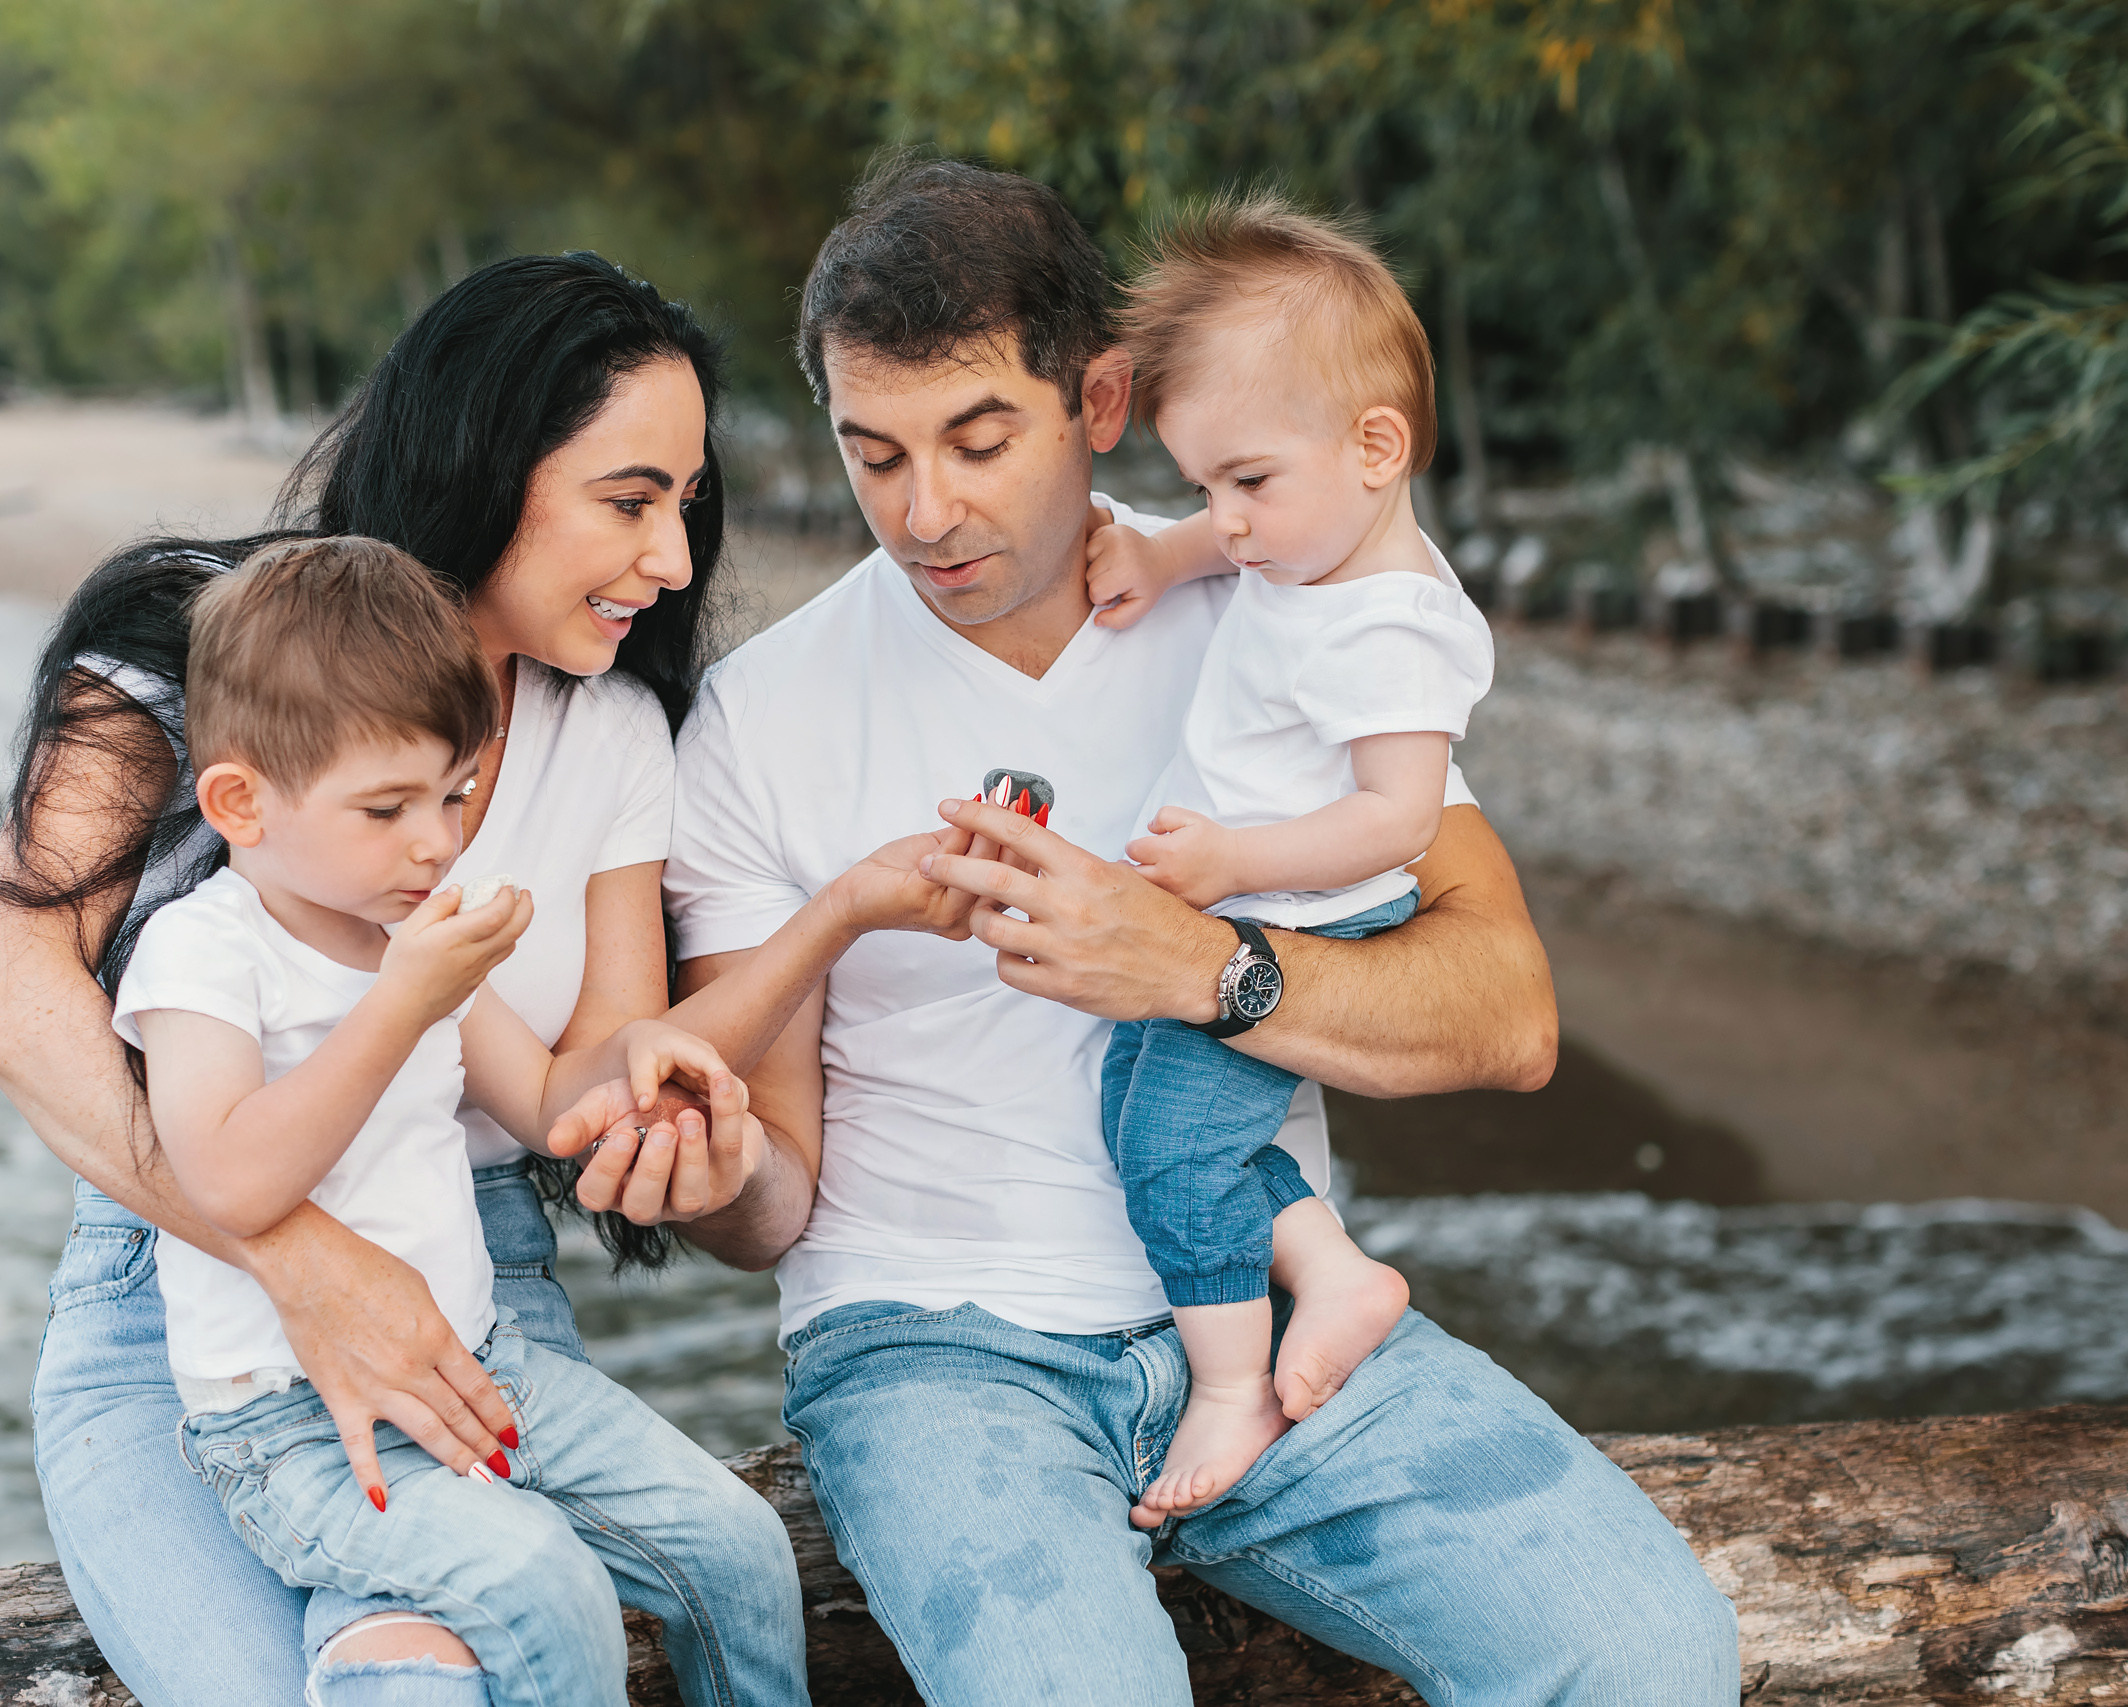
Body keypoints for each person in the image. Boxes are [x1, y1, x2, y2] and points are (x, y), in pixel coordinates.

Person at [665, 159, 1739, 1703]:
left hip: (1269, 1301)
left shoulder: (1288, 602)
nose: (924, 511)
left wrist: (1202, 971)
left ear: (1101, 400)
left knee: (1650, 1651)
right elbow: (769, 1202)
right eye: (872, 452)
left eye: (980, 440)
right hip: (934, 1348)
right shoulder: (759, 715)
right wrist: (709, 1171)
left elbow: (1508, 1012)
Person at [0, 255, 957, 1705]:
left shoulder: (614, 729)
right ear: (485, 463)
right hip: (175, 1293)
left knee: (501, 1628)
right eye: (629, 500)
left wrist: (799, 964)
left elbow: (582, 1083)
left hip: (476, 1282)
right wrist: (305, 1262)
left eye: (685, 505)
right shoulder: (197, 660)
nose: (675, 561)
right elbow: (7, 1002)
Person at [116, 533, 809, 1705]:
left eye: (454, 795)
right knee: (545, 1583)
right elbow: (231, 1184)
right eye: (387, 807)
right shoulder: (203, 953)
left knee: (737, 1548)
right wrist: (403, 1002)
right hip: (293, 1429)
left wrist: (640, 1060)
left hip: (483, 1365)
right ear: (240, 802)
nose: (436, 841)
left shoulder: (412, 935)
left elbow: (543, 1105)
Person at [1070, 193, 1499, 1515]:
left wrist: (1232, 862)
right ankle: (1333, 1268)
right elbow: (1226, 538)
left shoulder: (1393, 630)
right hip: (1247, 901)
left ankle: (1230, 1382)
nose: (1231, 522)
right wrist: (1162, 551)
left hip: (1307, 912)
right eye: (1204, 486)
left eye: (1245, 483)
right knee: (1139, 1110)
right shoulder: (1306, 538)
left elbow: (1399, 820)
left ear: (1377, 446)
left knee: (1169, 1151)